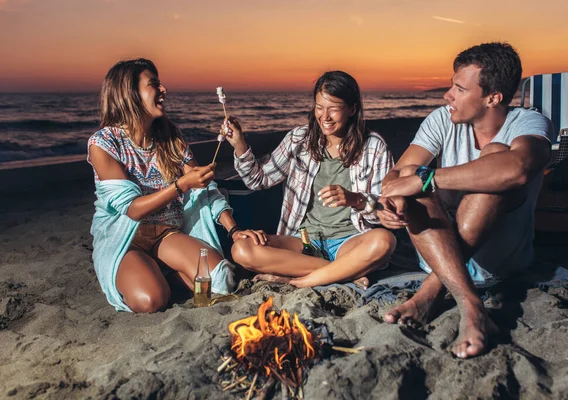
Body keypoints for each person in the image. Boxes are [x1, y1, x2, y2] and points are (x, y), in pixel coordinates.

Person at [378, 42, 552, 358]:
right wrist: (394, 201)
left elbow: (518, 168)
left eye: (459, 89)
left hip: (498, 265)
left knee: (496, 158)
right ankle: (472, 306)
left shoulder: (529, 123)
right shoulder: (442, 118)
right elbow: (400, 172)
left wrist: (427, 179)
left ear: (493, 98)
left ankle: (430, 293)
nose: (448, 96)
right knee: (415, 184)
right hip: (435, 256)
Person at [87, 58, 267, 313]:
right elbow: (132, 210)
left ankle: (164, 270)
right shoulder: (104, 143)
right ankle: (133, 272)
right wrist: (181, 185)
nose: (164, 90)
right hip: (126, 239)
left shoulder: (170, 137)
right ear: (130, 93)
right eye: (154, 85)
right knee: (151, 300)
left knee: (222, 280)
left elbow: (204, 188)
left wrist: (234, 230)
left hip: (166, 234)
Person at [222, 71, 397, 288]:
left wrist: (356, 200)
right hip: (303, 240)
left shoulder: (374, 147)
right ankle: (344, 271)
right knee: (242, 249)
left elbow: (385, 212)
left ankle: (300, 280)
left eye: (333, 108)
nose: (325, 117)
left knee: (384, 241)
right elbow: (259, 179)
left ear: (352, 109)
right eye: (319, 107)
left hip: (350, 242)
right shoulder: (299, 139)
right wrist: (240, 144)